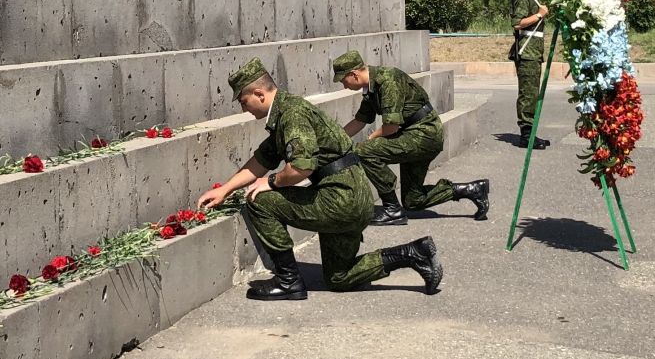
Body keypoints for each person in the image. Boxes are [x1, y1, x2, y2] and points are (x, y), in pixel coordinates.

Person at [196, 58, 443, 300]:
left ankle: (288, 281)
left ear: (259, 94)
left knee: (260, 202)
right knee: (340, 277)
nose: (243, 109)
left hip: (340, 199)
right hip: (351, 197)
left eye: (244, 101)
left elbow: (301, 168)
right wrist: (225, 190)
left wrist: (270, 183)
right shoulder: (286, 112)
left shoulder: (292, 114)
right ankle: (413, 253)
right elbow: (261, 161)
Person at [333, 50, 491, 225]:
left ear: (353, 74)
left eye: (343, 80)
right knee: (413, 201)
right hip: (412, 134)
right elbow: (360, 121)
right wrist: (335, 139)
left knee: (364, 151)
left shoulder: (387, 80)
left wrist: (371, 138)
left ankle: (392, 209)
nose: (344, 86)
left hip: (424, 134)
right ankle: (473, 190)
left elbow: (391, 127)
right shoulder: (371, 87)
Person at [511, 0, 552, 149]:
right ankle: (526, 136)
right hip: (526, 54)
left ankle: (532, 133)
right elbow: (517, 23)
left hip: (535, 54)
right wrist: (539, 15)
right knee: (528, 94)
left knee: (533, 94)